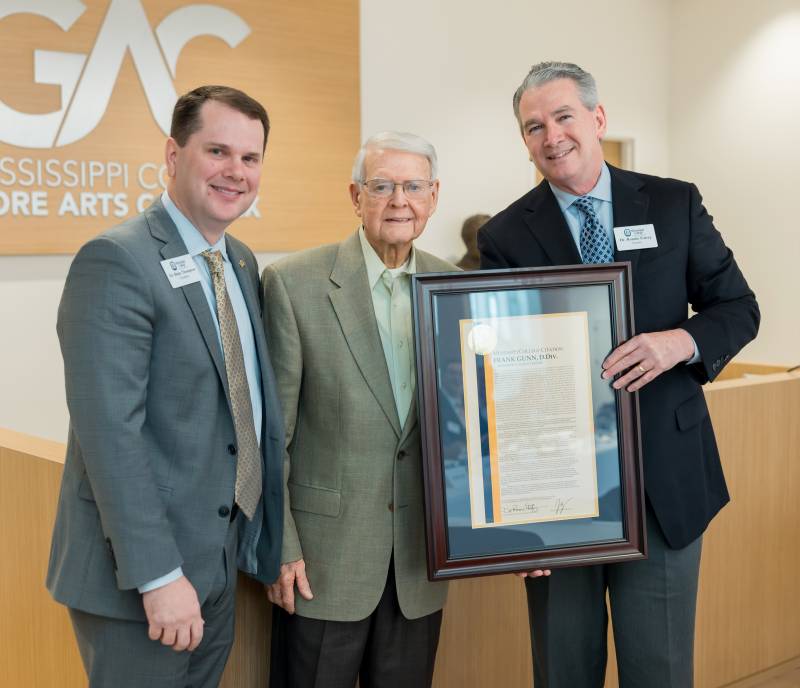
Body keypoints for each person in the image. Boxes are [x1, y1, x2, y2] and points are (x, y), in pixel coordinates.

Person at [478, 62, 759, 687]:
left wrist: (678, 341)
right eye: (532, 126)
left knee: (659, 671)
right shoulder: (504, 235)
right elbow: (494, 378)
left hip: (666, 481)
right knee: (564, 672)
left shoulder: (672, 201)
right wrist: (514, 516)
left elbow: (739, 308)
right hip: (557, 499)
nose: (550, 136)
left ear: (598, 118)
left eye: (563, 116)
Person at [46, 85, 284, 687]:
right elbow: (110, 437)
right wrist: (158, 577)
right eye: (218, 151)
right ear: (174, 155)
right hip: (143, 579)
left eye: (250, 159)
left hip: (216, 561)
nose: (235, 172)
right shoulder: (116, 260)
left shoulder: (240, 262)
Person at [262, 132, 454, 688]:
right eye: (383, 185)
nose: (400, 200)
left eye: (414, 185)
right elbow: (274, 436)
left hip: (421, 562)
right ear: (355, 195)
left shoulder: (457, 287)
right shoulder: (294, 283)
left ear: (434, 195)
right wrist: (280, 545)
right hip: (321, 564)